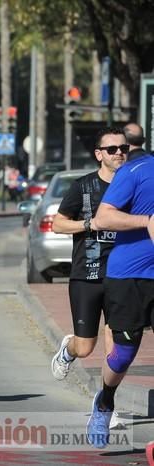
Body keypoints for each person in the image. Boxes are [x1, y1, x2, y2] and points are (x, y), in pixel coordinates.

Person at [86, 123, 154, 448]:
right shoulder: (137, 170)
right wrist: (147, 221)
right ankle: (105, 401)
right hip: (131, 276)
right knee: (124, 353)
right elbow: (103, 218)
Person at [50, 127, 126, 383]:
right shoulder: (83, 186)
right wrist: (88, 224)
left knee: (115, 342)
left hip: (120, 275)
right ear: (98, 154)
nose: (119, 154)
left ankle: (107, 403)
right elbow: (58, 224)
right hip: (87, 274)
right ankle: (68, 349)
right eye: (112, 149)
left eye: (124, 149)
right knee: (85, 347)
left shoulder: (135, 186)